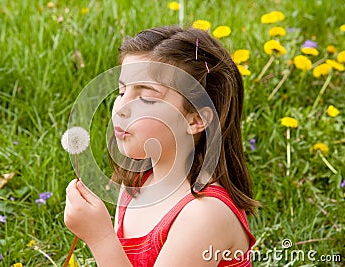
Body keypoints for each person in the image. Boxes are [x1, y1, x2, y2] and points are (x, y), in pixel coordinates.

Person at [64, 25, 260, 266]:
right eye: (121, 91)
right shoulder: (137, 183)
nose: (121, 108)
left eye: (146, 97)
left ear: (196, 119)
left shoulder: (204, 214)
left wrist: (101, 237)